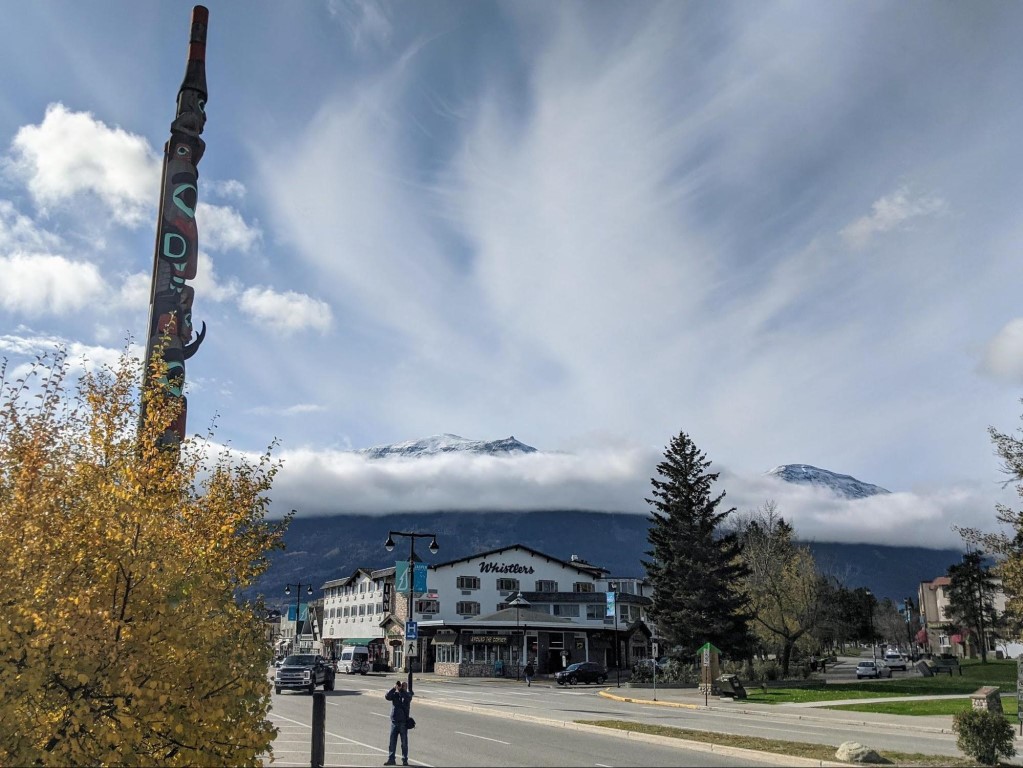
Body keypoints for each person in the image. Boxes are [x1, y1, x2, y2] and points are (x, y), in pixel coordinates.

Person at [384, 680, 414, 766]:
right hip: (394, 722)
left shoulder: (408, 694)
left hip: (403, 723)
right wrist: (394, 688)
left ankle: (405, 760)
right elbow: (387, 696)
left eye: (404, 685)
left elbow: (407, 698)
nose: (402, 686)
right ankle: (391, 759)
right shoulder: (395, 695)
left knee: (404, 743)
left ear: (406, 687)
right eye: (401, 685)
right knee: (392, 743)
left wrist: (401, 690)